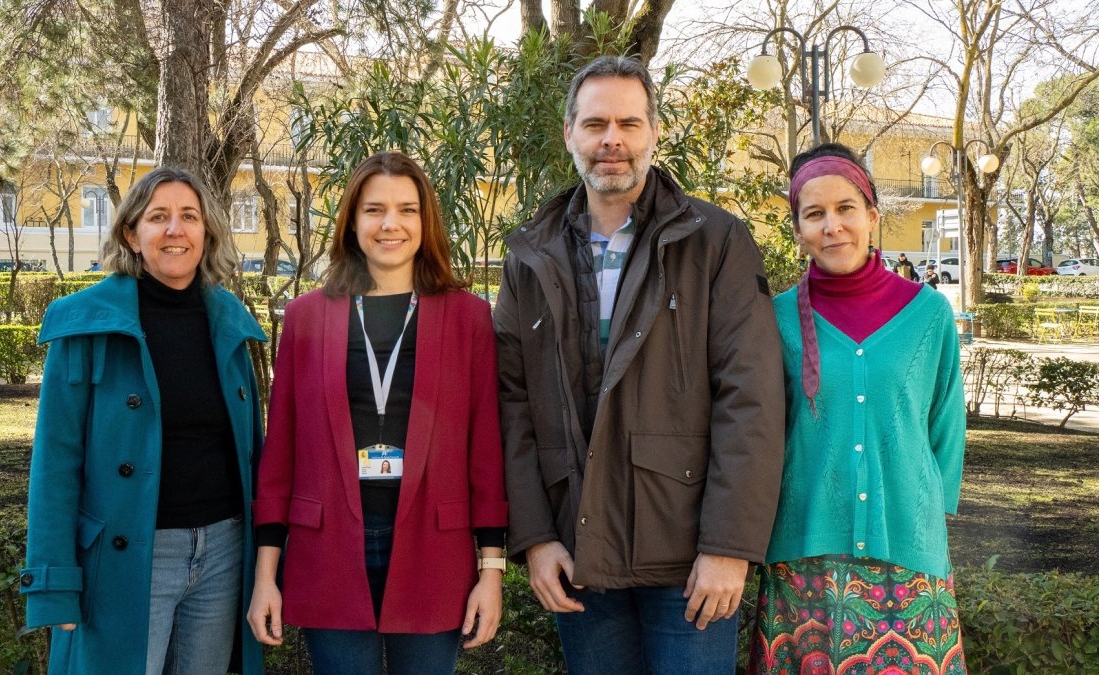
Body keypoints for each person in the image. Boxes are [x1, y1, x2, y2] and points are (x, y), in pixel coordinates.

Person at [494, 55, 785, 674]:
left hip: (689, 561)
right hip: (578, 551)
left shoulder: (715, 241)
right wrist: (536, 538)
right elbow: (512, 404)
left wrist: (728, 546)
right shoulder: (531, 254)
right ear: (569, 133)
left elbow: (751, 398)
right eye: (595, 124)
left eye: (629, 123)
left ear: (654, 131)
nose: (612, 140)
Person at [248, 151, 507, 675]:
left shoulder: (469, 318)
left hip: (435, 549)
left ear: (425, 222)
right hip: (328, 548)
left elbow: (486, 453)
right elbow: (281, 454)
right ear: (352, 221)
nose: (391, 224)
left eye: (407, 210)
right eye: (374, 210)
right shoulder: (305, 317)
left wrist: (492, 572)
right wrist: (265, 576)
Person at [20, 167, 267, 674]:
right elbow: (55, 462)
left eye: (189, 216)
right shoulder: (86, 324)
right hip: (130, 556)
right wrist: (54, 583)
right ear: (132, 234)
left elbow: (253, 455)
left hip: (223, 554)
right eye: (158, 217)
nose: (176, 230)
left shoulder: (231, 322)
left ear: (206, 232)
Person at [749, 143, 966, 673]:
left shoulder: (930, 315)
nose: (833, 226)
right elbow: (759, 433)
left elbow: (945, 425)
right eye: (814, 214)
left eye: (846, 208)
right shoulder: (774, 320)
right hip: (803, 551)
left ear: (872, 215)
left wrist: (926, 516)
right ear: (798, 229)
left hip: (907, 550)